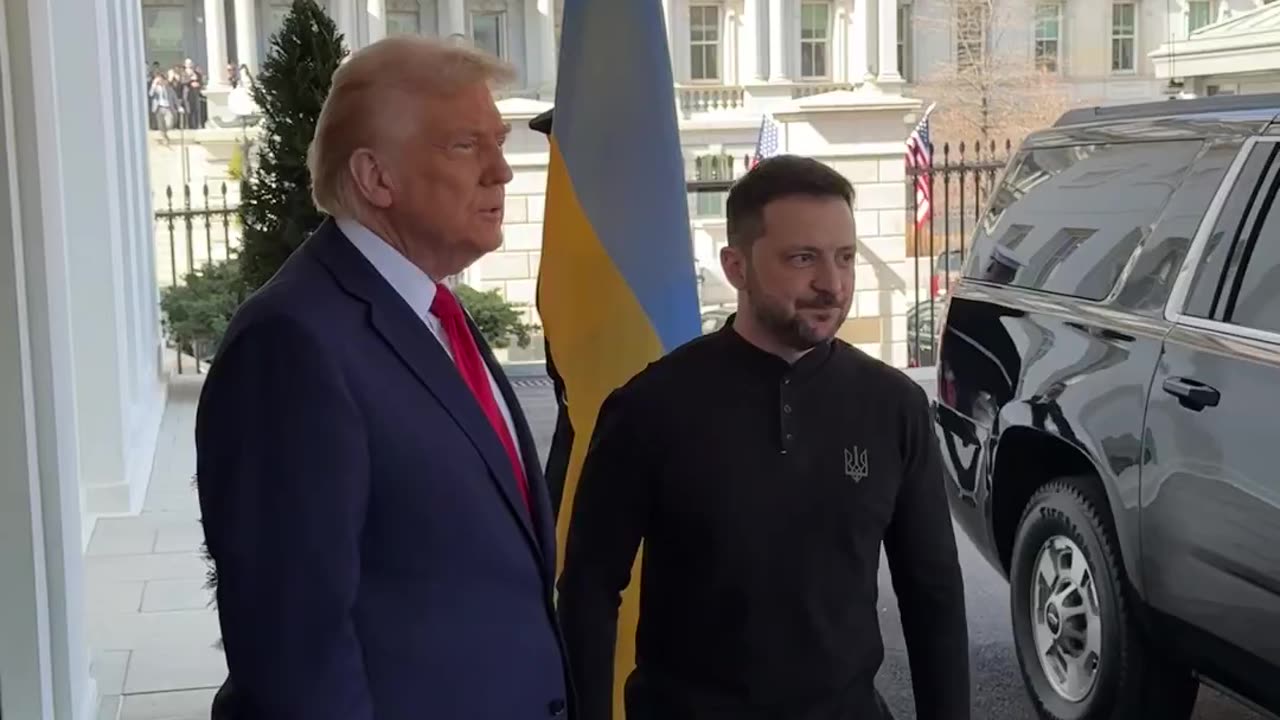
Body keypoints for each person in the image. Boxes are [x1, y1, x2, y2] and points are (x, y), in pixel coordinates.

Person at [195, 36, 568, 720]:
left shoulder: (428, 306)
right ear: (375, 178)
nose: (502, 172)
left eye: (500, 139)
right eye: (464, 145)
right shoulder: (292, 342)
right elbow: (293, 647)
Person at [557, 155, 971, 720]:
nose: (832, 284)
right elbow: (589, 590)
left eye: (844, 257)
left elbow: (934, 593)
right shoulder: (648, 408)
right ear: (736, 266)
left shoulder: (893, 405)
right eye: (802, 259)